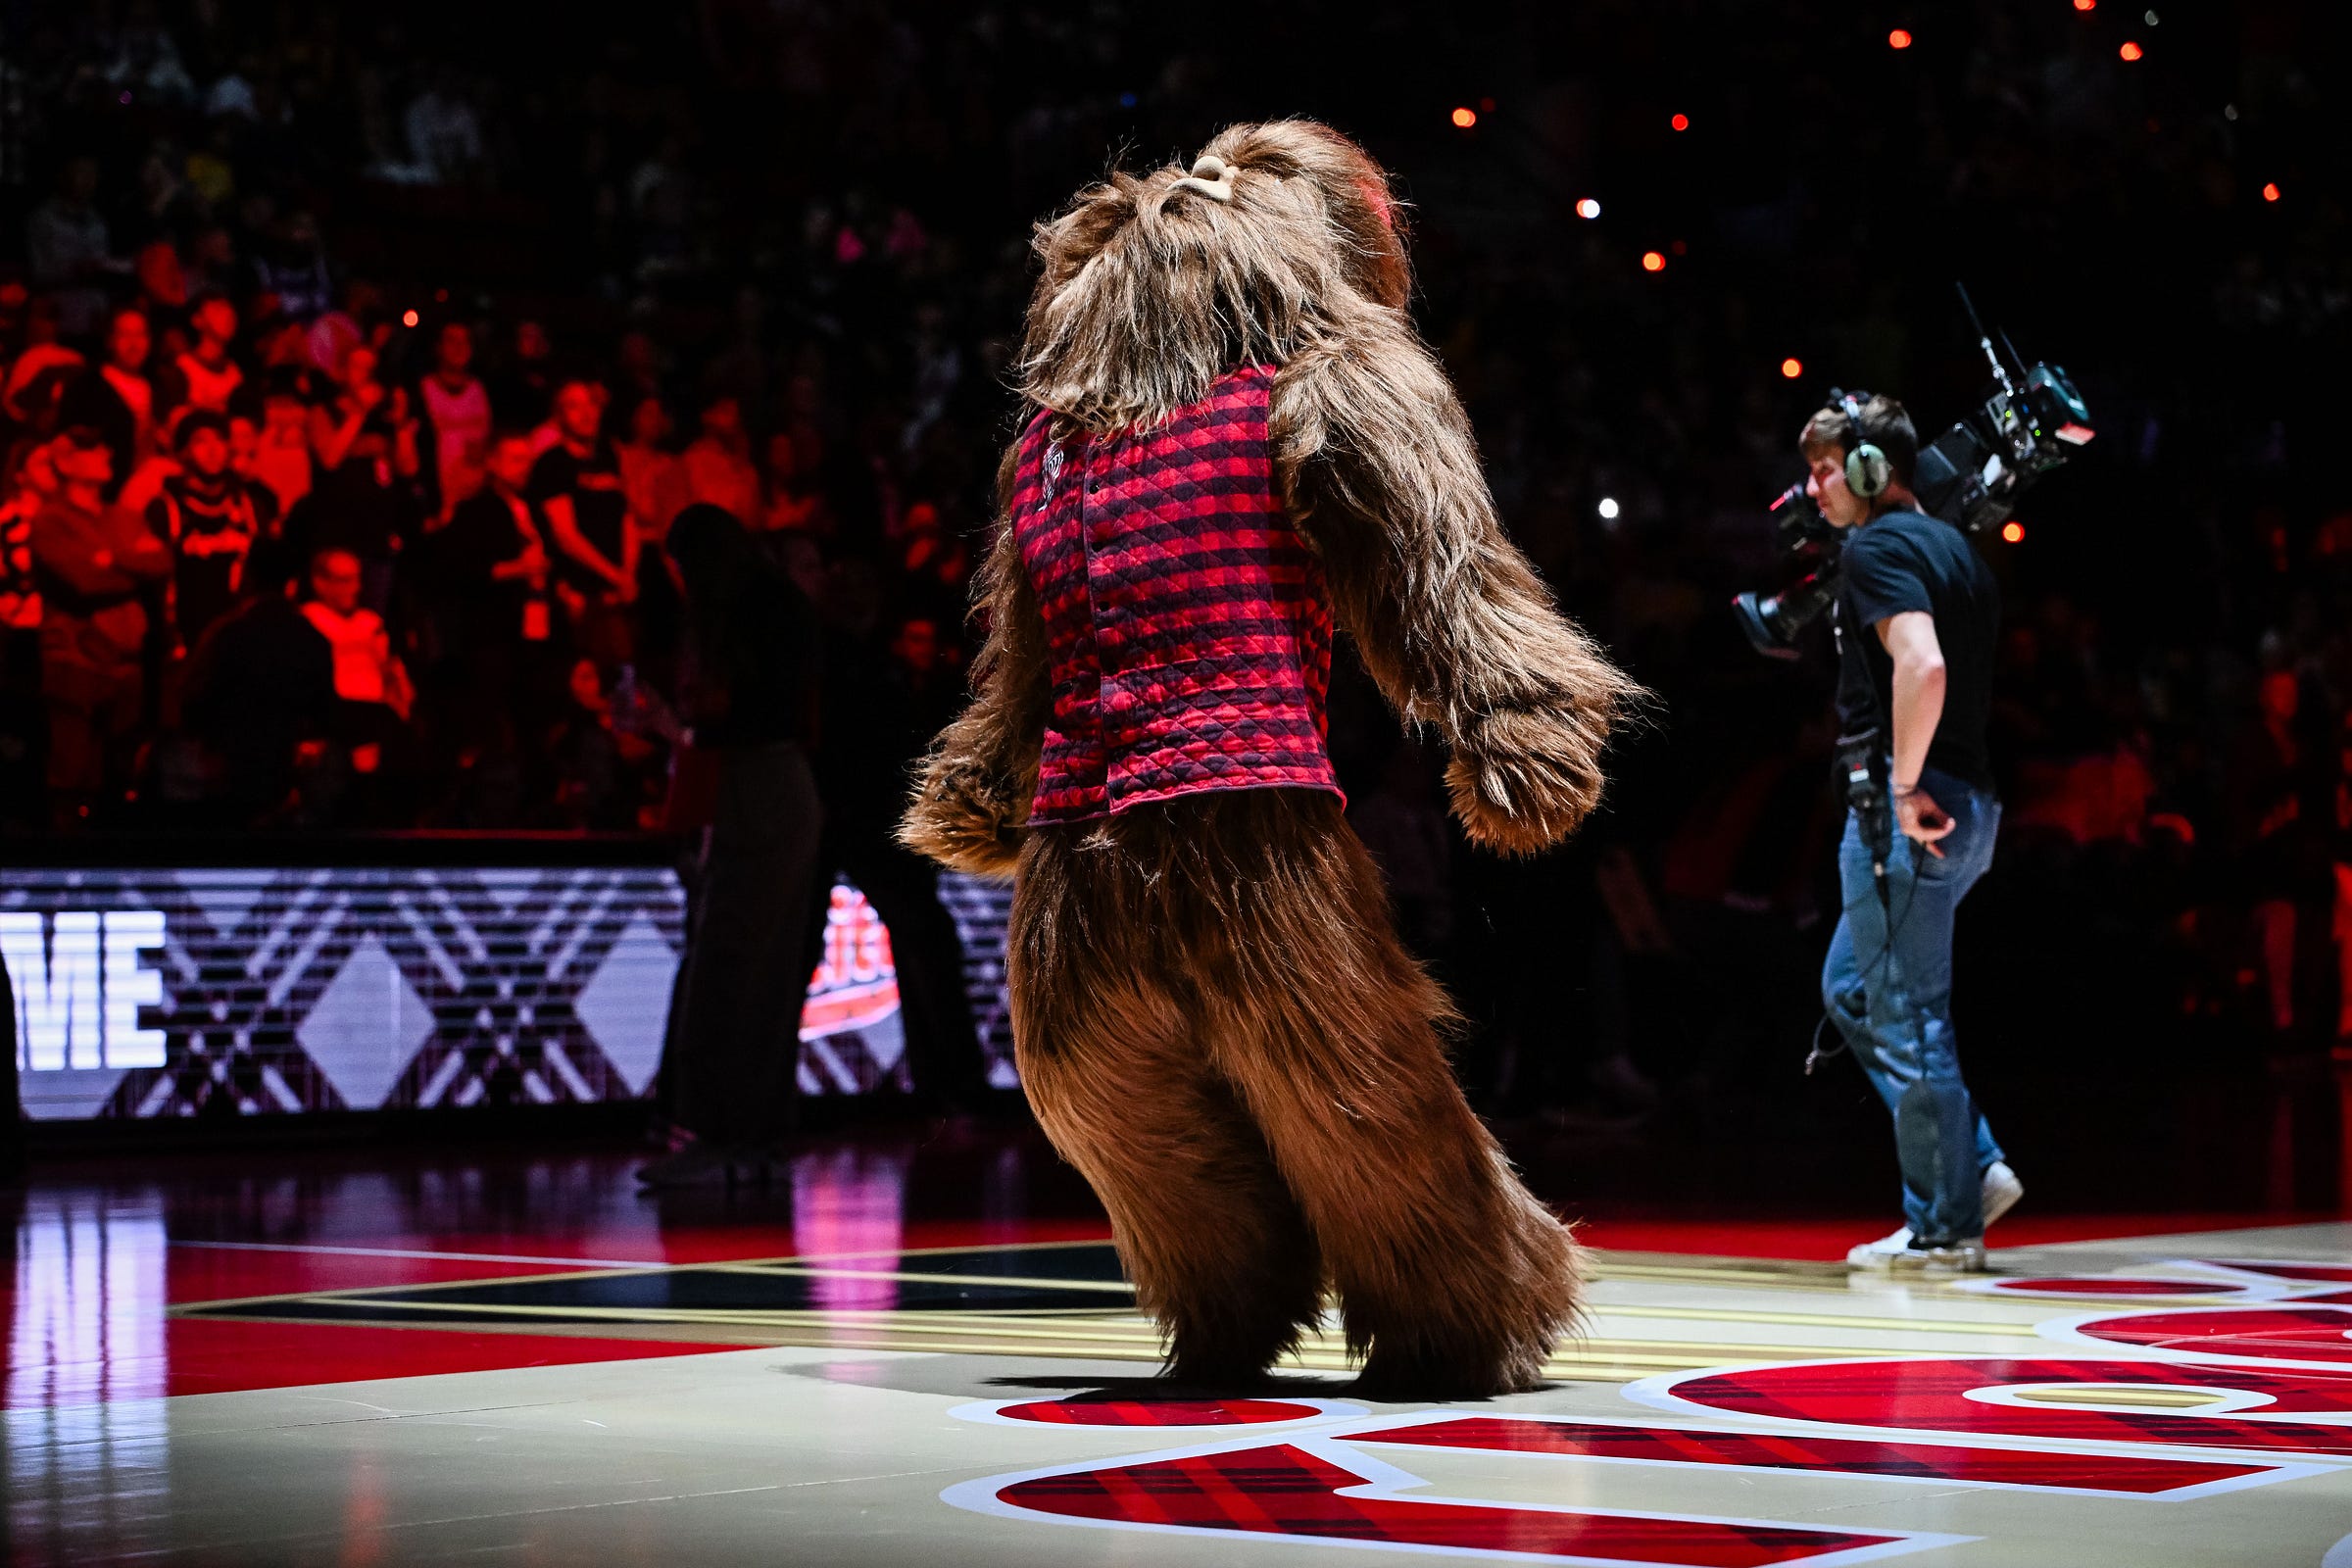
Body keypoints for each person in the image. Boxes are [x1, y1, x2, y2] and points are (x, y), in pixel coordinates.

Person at [1803, 393, 2021, 1272]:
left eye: (1824, 470)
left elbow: (1922, 666)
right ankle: (1975, 1165)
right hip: (1972, 808)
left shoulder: (1876, 548)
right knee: (1854, 990)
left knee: (1906, 1011)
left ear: (1869, 469)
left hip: (1912, 813)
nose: (1813, 488)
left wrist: (1899, 789)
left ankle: (1944, 1225)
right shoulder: (1959, 548)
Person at [643, 504, 823, 1186]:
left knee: (724, 967)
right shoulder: (783, 605)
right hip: (786, 787)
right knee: (767, 972)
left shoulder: (744, 614)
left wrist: (685, 731)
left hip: (754, 787)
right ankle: (756, 1134)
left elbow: (747, 716)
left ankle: (710, 1135)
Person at [29, 427, 174, 825]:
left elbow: (162, 561)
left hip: (127, 663)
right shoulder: (50, 522)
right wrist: (134, 563)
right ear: (65, 463)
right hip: (77, 661)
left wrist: (112, 558)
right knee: (73, 774)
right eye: (92, 449)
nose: (106, 453)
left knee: (120, 773)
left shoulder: (123, 516)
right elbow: (85, 582)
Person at [147, 410, 273, 649]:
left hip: (244, 635)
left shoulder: (250, 506)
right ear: (183, 451)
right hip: (186, 639)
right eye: (200, 441)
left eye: (220, 439)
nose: (213, 449)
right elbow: (154, 583)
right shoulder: (165, 509)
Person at [528, 379, 637, 655]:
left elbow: (626, 516)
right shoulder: (552, 464)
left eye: (591, 404)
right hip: (579, 593)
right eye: (573, 406)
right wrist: (615, 576)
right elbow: (566, 536)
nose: (586, 413)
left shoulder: (608, 456)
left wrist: (628, 573)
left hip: (618, 590)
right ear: (559, 416)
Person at [56, 309, 157, 499]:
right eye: (125, 335)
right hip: (98, 494)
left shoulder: (158, 386)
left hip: (144, 493)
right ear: (110, 340)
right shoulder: (86, 387)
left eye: (140, 335)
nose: (134, 344)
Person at [417, 320, 492, 518]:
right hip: (435, 494)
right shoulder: (423, 389)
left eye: (465, 342)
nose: (459, 348)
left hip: (474, 491)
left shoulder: (479, 389)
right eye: (452, 341)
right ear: (438, 347)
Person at [157, 293, 245, 426]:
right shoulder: (182, 368)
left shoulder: (235, 374)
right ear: (197, 320)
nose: (228, 314)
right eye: (218, 309)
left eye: (230, 309)